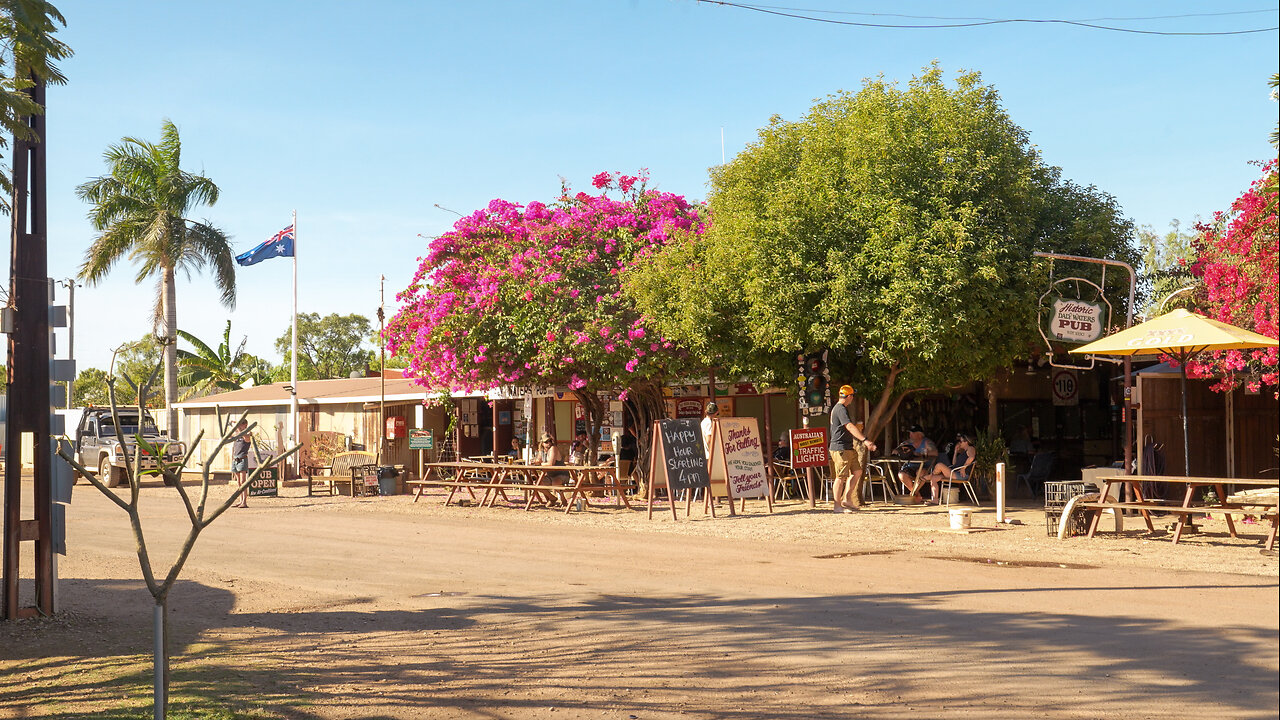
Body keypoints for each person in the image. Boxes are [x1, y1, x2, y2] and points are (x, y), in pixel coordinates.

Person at [828, 385, 876, 512]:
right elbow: (849, 426)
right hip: (840, 448)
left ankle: (847, 499)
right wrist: (865, 440)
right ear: (849, 396)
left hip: (848, 447)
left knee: (857, 472)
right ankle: (837, 506)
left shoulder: (841, 408)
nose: (853, 398)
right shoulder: (840, 409)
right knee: (840, 477)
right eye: (853, 395)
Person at [923, 433, 976, 504]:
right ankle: (935, 500)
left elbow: (971, 457)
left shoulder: (970, 448)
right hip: (954, 472)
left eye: (961, 441)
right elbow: (954, 464)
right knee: (934, 478)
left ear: (966, 442)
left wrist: (964, 468)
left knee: (939, 465)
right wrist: (955, 452)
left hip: (961, 474)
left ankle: (930, 475)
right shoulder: (963, 452)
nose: (959, 443)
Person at [896, 424, 938, 500]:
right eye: (910, 433)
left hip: (924, 467)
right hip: (911, 467)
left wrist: (922, 454)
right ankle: (916, 494)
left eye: (912, 433)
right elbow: (896, 451)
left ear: (919, 434)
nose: (910, 435)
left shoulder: (926, 443)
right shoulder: (908, 442)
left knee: (921, 473)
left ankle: (913, 495)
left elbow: (935, 453)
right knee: (901, 474)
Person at [230, 420, 251, 508]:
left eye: (241, 425)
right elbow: (229, 436)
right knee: (238, 481)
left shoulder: (247, 434)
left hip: (242, 459)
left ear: (245, 425)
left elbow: (246, 438)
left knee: (243, 481)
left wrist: (239, 429)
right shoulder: (237, 435)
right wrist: (232, 425)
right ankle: (240, 500)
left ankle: (244, 502)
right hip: (235, 459)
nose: (239, 426)